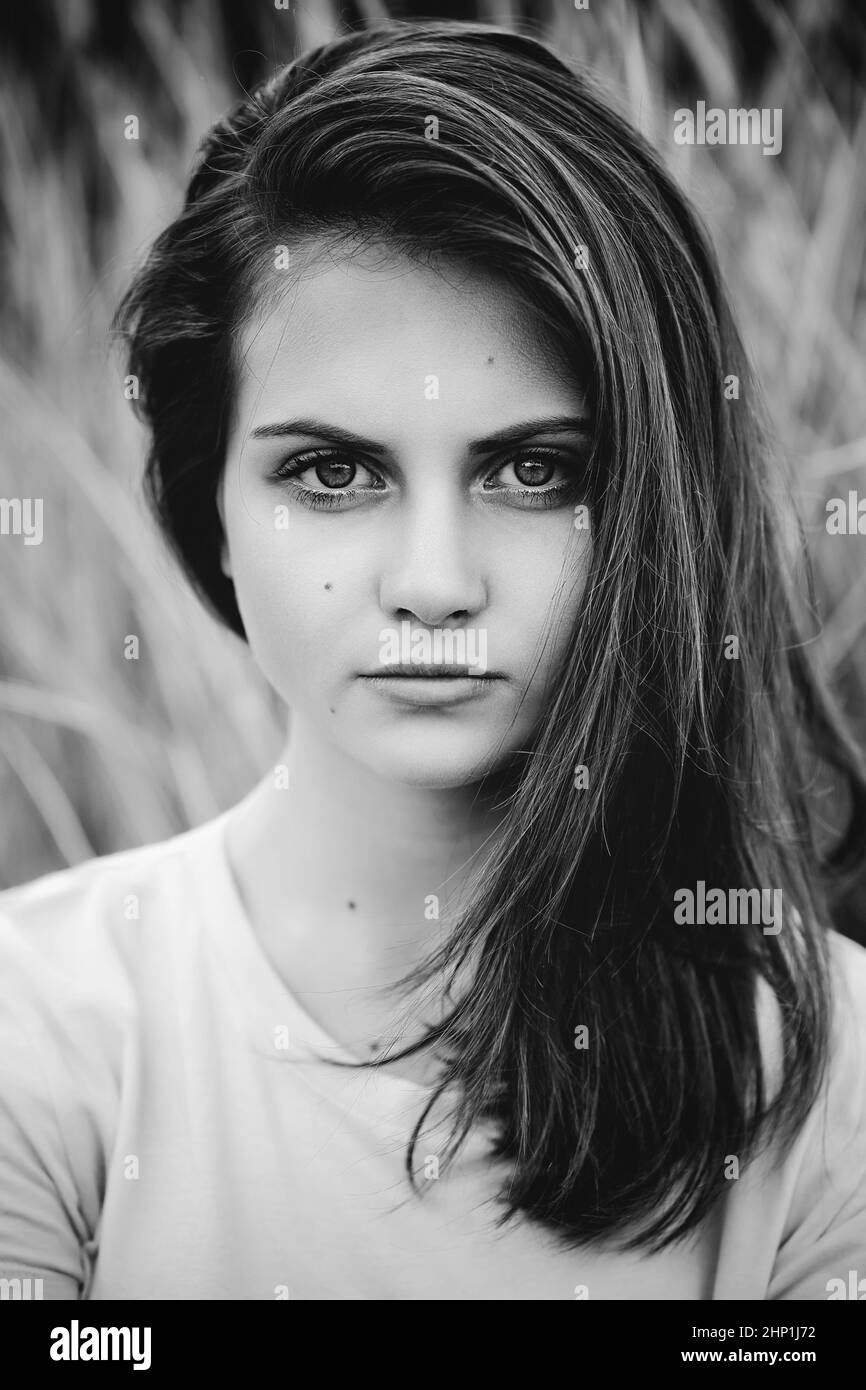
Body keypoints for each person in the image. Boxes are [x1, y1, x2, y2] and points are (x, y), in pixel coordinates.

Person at [1, 18, 864, 1301]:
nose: (433, 582)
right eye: (333, 472)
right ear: (210, 511)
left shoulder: (823, 1067)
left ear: (646, 506)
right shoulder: (38, 1029)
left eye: (533, 470)